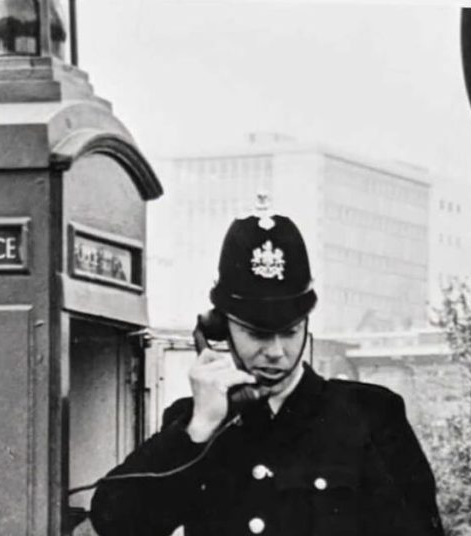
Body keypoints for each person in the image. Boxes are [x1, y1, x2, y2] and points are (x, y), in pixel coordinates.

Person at [89, 211, 445, 536]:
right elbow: (115, 523)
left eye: (290, 332)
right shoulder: (195, 425)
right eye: (258, 334)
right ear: (220, 330)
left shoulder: (370, 415)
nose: (276, 352)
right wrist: (199, 428)